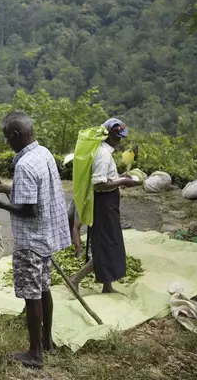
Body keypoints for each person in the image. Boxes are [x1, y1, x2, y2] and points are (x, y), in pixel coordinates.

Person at [0, 112, 70, 369]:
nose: (7, 142)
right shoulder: (43, 154)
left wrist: (0, 204)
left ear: (17, 135)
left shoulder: (24, 165)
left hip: (30, 240)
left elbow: (28, 208)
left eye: (7, 137)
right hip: (46, 237)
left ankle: (35, 354)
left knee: (32, 297)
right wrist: (4, 189)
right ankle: (47, 341)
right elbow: (35, 192)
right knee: (43, 289)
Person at [68, 118, 139, 294]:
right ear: (109, 136)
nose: (120, 141)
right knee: (105, 247)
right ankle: (75, 279)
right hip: (103, 204)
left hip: (108, 203)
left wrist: (119, 177)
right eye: (118, 137)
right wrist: (122, 181)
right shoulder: (103, 154)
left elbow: (106, 178)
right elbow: (98, 184)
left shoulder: (104, 152)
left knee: (109, 245)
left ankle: (107, 286)